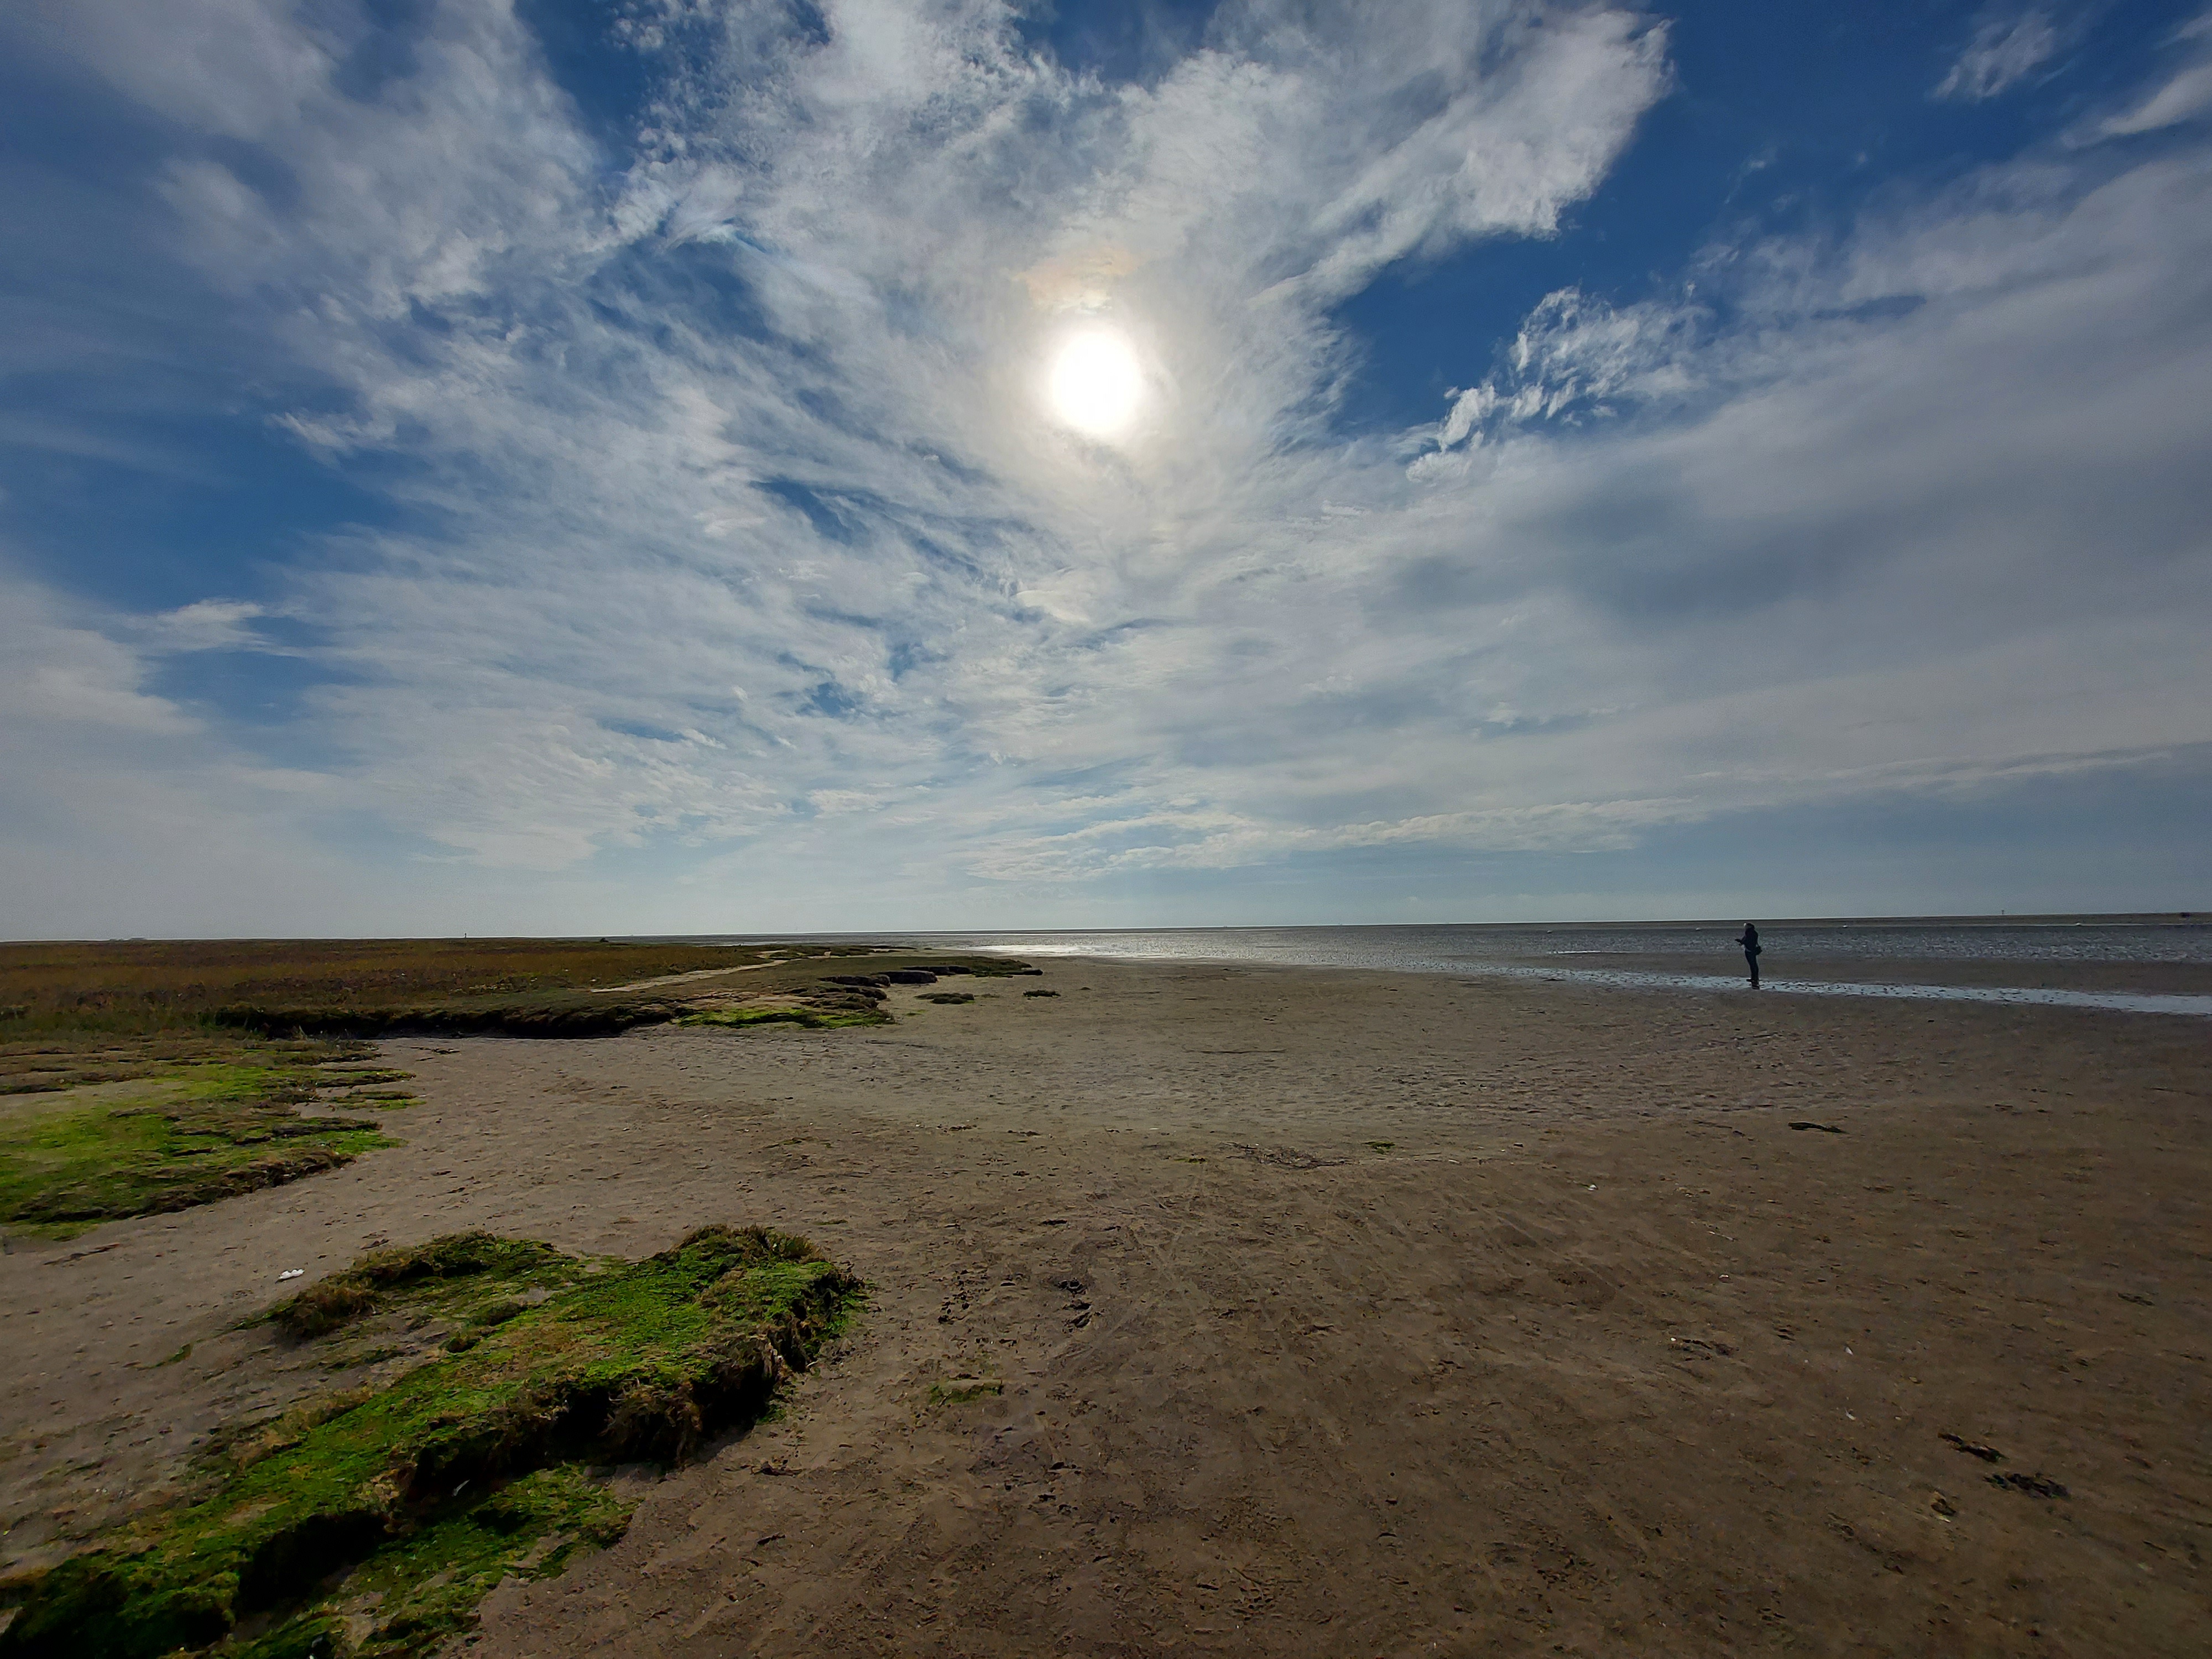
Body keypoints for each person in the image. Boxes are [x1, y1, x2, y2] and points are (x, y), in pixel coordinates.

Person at [1737, 922, 1762, 988]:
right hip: (1751, 950)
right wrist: (1741, 942)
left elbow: (1748, 941)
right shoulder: (1752, 932)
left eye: (1746, 926)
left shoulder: (1750, 933)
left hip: (1750, 950)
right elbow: (1745, 940)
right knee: (1753, 964)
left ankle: (1754, 978)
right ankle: (1754, 978)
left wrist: (1741, 942)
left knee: (1753, 964)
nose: (1745, 927)